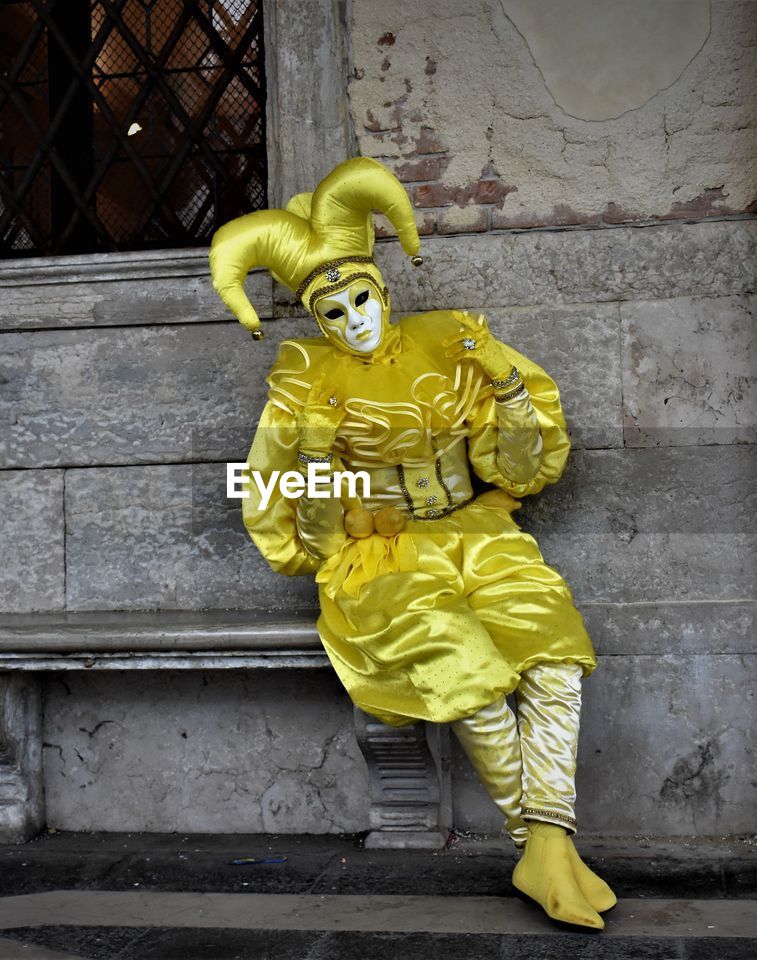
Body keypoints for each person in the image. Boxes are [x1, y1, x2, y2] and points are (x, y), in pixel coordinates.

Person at [210, 156, 616, 929]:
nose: (357, 319)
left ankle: (547, 843)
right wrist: (320, 463)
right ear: (317, 320)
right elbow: (262, 489)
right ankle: (542, 847)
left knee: (557, 662)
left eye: (363, 297)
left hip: (480, 532)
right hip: (379, 557)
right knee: (475, 679)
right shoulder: (300, 380)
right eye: (336, 312)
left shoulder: (449, 342)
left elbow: (527, 471)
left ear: (383, 288)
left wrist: (501, 383)